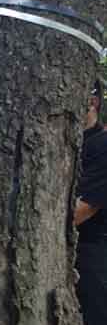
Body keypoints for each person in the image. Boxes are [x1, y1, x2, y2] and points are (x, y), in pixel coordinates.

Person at [74, 79, 107, 325]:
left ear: (93, 101)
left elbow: (83, 209)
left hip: (92, 253)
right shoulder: (72, 142)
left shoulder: (103, 145)